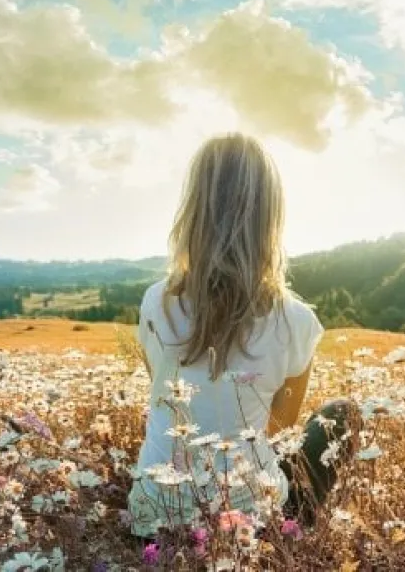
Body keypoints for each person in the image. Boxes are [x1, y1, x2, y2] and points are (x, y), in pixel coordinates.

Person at [126, 132, 357, 540]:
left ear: (193, 210)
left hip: (154, 516)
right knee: (343, 413)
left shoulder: (155, 302)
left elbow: (165, 394)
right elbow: (278, 429)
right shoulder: (296, 321)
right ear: (271, 217)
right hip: (248, 519)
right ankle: (292, 525)